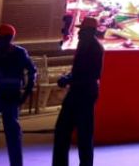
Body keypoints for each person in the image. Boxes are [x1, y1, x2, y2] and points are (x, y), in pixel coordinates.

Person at [53, 16, 104, 166]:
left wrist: (69, 79)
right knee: (66, 132)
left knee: (83, 135)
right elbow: (79, 71)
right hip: (79, 92)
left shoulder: (94, 48)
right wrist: (69, 77)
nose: (80, 33)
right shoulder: (85, 45)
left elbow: (91, 74)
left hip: (84, 94)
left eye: (83, 30)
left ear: (91, 31)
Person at [0, 23, 37, 166]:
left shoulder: (19, 53)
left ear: (7, 38)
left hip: (10, 98)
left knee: (12, 134)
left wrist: (27, 91)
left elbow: (32, 71)